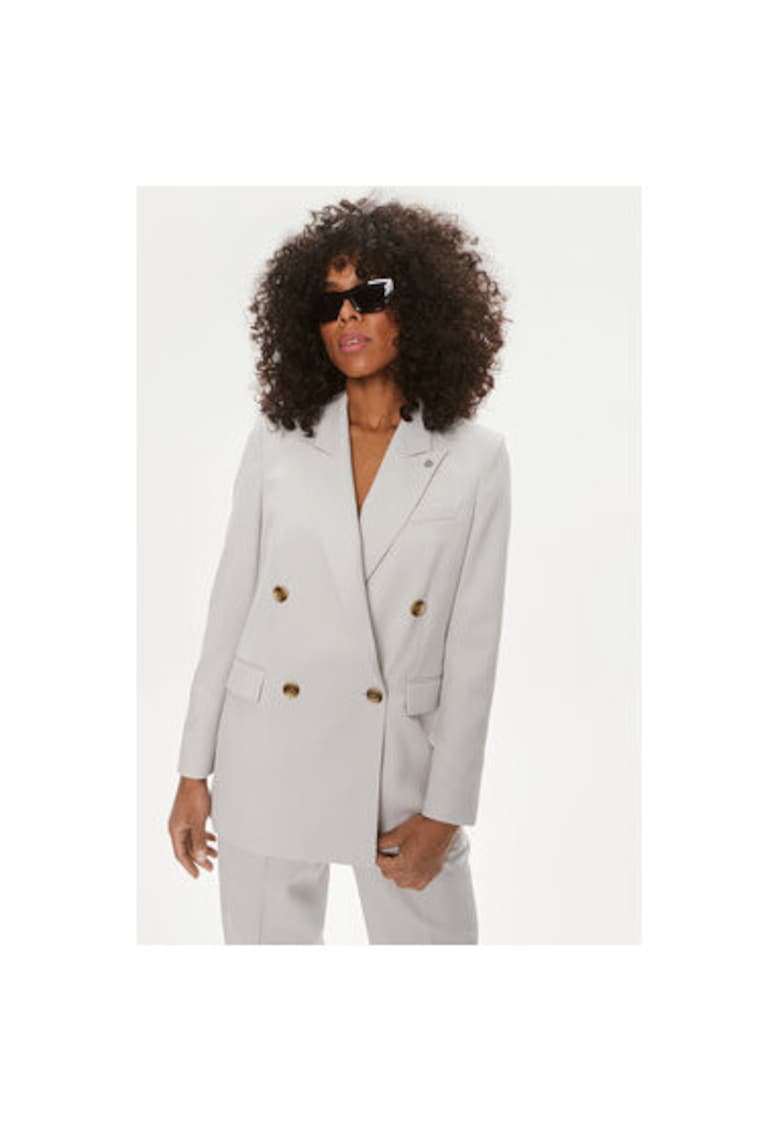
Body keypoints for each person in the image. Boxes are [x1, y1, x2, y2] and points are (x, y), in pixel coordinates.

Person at [167, 194, 512, 944]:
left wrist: (447, 811)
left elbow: (473, 651)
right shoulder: (276, 442)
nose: (348, 316)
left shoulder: (476, 459)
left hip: (398, 771)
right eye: (330, 304)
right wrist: (193, 772)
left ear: (416, 308)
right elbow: (229, 610)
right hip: (266, 755)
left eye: (369, 295)